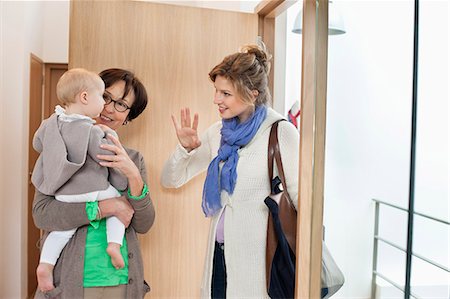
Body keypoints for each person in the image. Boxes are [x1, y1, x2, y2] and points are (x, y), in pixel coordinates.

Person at [160, 44, 299, 298]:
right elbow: (171, 179)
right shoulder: (218, 133)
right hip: (219, 258)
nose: (216, 99)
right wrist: (184, 149)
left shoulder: (281, 133)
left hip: (260, 267)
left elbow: (304, 205)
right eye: (216, 91)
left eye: (225, 93)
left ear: (252, 94)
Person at [32, 68, 155, 299]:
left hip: (119, 280)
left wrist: (133, 176)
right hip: (67, 280)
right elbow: (42, 214)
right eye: (106, 97)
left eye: (121, 105)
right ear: (85, 95)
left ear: (128, 117)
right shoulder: (57, 149)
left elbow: (144, 223)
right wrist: (105, 208)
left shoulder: (133, 159)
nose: (109, 108)